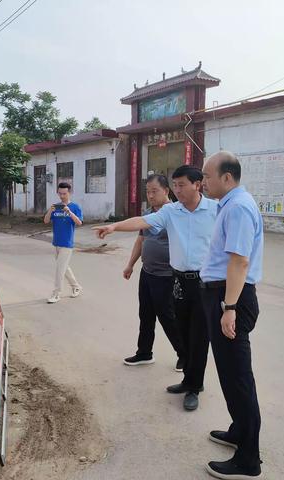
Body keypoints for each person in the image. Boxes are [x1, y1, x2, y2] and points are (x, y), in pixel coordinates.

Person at [94, 165, 217, 411]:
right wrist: (114, 227)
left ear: (197, 184)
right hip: (179, 280)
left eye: (182, 185)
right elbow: (143, 222)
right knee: (182, 331)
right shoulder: (171, 211)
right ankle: (187, 380)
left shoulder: (216, 210)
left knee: (199, 338)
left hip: (206, 283)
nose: (177, 190)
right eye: (175, 185)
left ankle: (195, 386)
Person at [200, 151, 264, 479]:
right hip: (224, 295)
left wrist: (229, 308)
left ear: (227, 177)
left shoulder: (238, 207)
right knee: (228, 372)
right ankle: (239, 431)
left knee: (239, 377)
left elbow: (239, 262)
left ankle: (248, 460)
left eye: (207, 176)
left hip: (231, 298)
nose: (203, 182)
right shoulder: (229, 204)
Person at [122, 174, 185, 371]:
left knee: (168, 317)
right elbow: (141, 240)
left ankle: (184, 354)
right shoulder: (148, 213)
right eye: (147, 191)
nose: (150, 195)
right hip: (147, 273)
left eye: (154, 191)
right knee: (146, 314)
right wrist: (130, 264)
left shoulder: (176, 213)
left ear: (167, 191)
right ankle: (144, 353)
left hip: (167, 276)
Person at [43, 182, 83, 304]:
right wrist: (50, 210)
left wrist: (69, 212)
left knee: (60, 269)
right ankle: (76, 286)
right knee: (64, 268)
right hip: (56, 243)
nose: (62, 196)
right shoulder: (56, 207)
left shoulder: (75, 207)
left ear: (69, 193)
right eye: (60, 194)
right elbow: (45, 221)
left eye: (64, 194)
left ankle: (56, 294)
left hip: (67, 243)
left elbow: (79, 223)